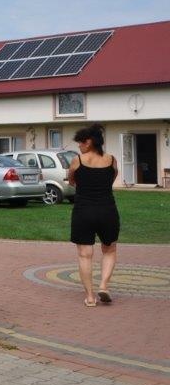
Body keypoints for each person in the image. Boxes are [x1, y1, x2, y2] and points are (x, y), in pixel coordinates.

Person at [67, 124, 119, 307]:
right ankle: (103, 286)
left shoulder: (78, 160)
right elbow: (112, 179)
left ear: (88, 142)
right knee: (109, 249)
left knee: (85, 254)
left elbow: (71, 181)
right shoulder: (111, 160)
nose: (79, 146)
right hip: (107, 210)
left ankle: (90, 297)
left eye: (80, 142)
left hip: (83, 211)